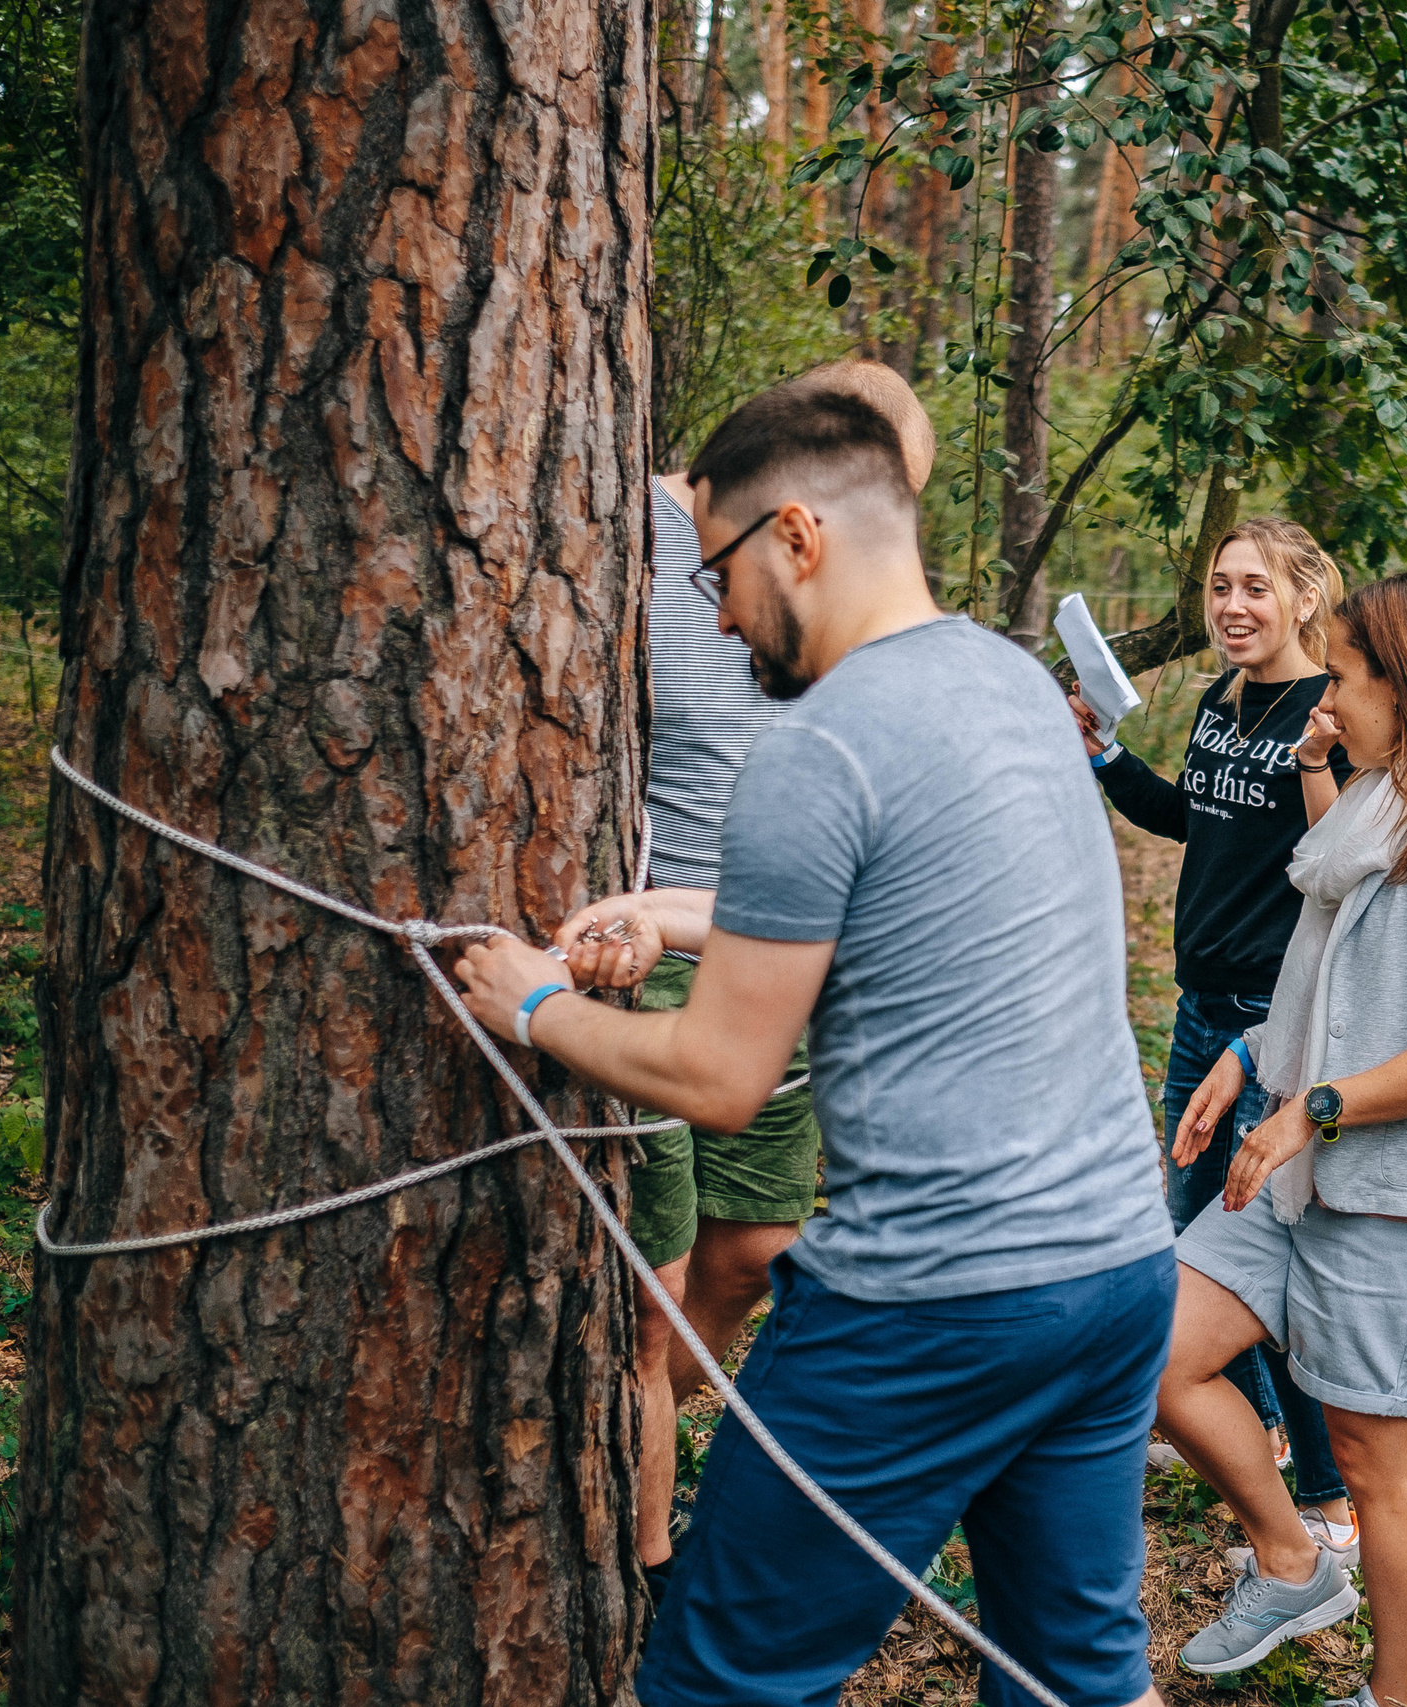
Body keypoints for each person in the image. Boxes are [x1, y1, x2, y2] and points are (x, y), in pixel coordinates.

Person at [451, 382, 1175, 1707]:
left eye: (719, 569)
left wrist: (534, 1007)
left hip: (934, 1302)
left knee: (724, 1679)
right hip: (1119, 1271)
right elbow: (904, 901)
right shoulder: (1010, 685)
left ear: (797, 536)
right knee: (1078, 1670)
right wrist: (667, 914)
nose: (717, 615)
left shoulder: (818, 743)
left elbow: (723, 1079)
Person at [1153, 572, 1407, 1707]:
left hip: (1399, 1205)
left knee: (1377, 1472)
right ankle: (1289, 1559)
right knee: (1150, 1351)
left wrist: (1307, 1111)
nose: (1331, 690)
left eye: (1349, 671)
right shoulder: (1374, 801)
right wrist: (1244, 1061)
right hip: (1297, 1176)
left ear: (1406, 686)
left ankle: (1395, 1697)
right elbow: (1329, 990)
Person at [630, 360, 937, 1600]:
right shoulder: (651, 526)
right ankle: (644, 1561)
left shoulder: (867, 580)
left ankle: (629, 1444)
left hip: (777, 950)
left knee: (752, 1253)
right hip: (645, 948)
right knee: (642, 1302)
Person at [1068, 517, 1357, 1559]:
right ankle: (1250, 1428)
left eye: (1255, 588)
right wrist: (1104, 755)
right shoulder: (1220, 699)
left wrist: (1280, 1040)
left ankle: (1328, 1503)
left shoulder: (1331, 714)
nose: (1232, 606)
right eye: (1220, 586)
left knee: (1252, 1254)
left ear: (1303, 598)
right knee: (1194, 1222)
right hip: (1200, 1010)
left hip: (1268, 1027)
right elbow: (1197, 817)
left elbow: (1346, 869)